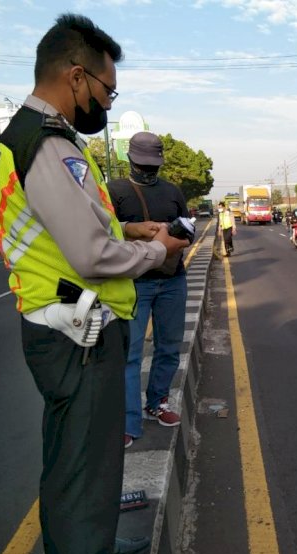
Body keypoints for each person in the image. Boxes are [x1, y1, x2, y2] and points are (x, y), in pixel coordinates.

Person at [0, 14, 189, 554]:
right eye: (107, 89)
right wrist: (157, 250)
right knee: (83, 464)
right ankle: (84, 550)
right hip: (79, 337)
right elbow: (91, 255)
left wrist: (129, 227)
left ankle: (89, 541)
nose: (106, 101)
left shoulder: (30, 140)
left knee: (76, 461)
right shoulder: (48, 145)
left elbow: (71, 225)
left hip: (66, 330)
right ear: (77, 77)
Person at [109, 132, 190, 446]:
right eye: (143, 164)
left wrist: (174, 238)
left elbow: (188, 231)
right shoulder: (113, 191)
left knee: (169, 347)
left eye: (153, 165)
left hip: (172, 280)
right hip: (134, 284)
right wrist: (132, 229)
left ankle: (157, 403)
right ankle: (129, 423)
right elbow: (100, 233)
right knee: (130, 355)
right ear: (129, 159)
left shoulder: (172, 192)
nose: (148, 170)